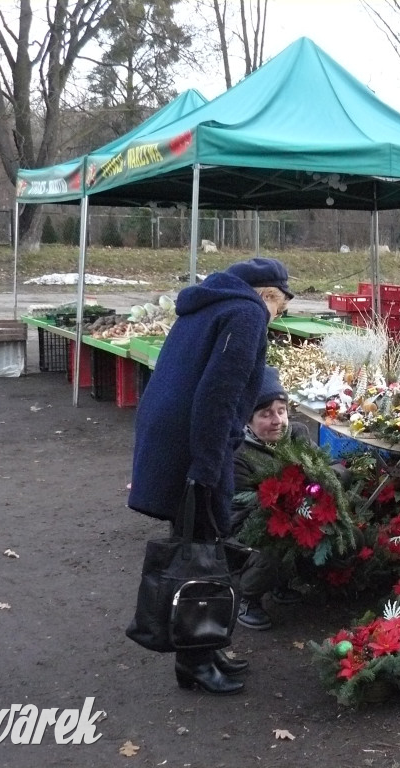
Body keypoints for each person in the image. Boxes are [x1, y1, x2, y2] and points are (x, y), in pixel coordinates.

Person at [128, 257, 293, 696]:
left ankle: (208, 646)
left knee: (199, 545)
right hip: (196, 446)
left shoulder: (208, 304)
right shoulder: (246, 313)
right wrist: (206, 469)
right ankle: (196, 661)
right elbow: (219, 395)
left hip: (172, 440)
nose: (278, 314)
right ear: (267, 296)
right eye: (281, 304)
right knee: (200, 553)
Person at [228, 366, 312, 631]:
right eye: (265, 414)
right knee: (276, 540)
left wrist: (322, 483)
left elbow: (329, 466)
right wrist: (286, 500)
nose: (277, 420)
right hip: (244, 527)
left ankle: (281, 584)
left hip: (294, 511)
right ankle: (247, 597)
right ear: (247, 420)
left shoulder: (297, 434)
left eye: (281, 411)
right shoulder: (238, 453)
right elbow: (242, 508)